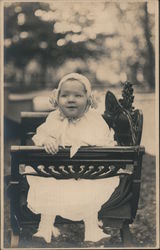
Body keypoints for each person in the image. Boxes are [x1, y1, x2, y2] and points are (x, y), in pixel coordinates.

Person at [26, 73, 120, 243]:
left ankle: (92, 230)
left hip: (88, 174)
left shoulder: (94, 120)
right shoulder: (54, 118)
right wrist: (48, 141)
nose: (71, 99)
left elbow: (106, 142)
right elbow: (41, 135)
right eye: (65, 95)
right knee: (47, 185)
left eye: (78, 95)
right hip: (57, 173)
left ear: (88, 99)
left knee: (91, 190)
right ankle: (45, 228)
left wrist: (91, 147)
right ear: (57, 98)